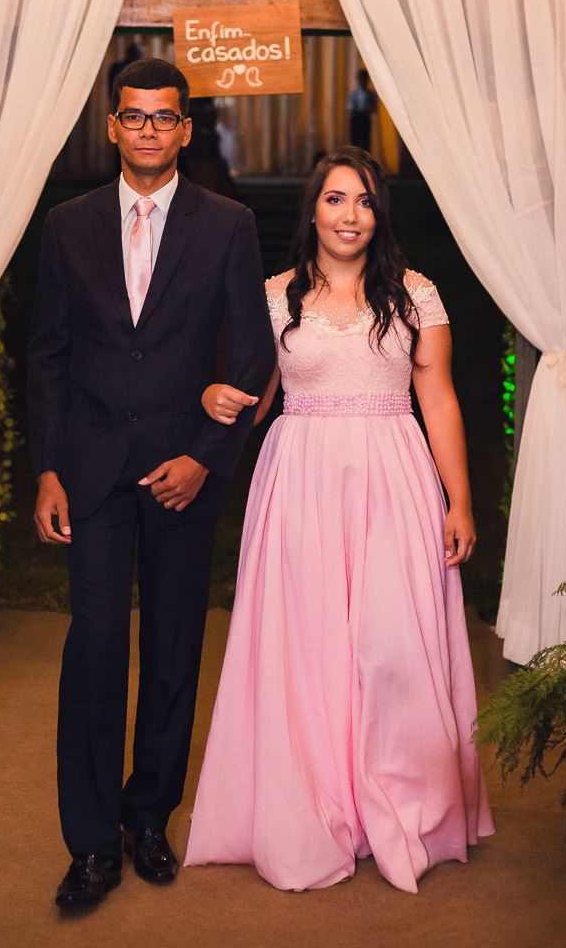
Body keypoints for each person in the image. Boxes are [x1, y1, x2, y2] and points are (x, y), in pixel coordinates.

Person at [184, 149, 494, 893]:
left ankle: (402, 805)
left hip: (393, 477)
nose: (349, 215)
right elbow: (253, 401)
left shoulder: (416, 295)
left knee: (391, 646)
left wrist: (460, 500)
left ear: (378, 213)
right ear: (312, 211)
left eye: (363, 201)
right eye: (334, 200)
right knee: (309, 645)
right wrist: (210, 401)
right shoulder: (272, 296)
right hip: (300, 481)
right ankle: (317, 806)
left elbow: (440, 401)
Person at [27, 58, 275, 910]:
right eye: (133, 118)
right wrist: (50, 470)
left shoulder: (228, 224)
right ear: (112, 126)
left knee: (172, 653)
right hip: (91, 469)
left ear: (185, 129)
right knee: (94, 651)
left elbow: (250, 354)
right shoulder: (67, 224)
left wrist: (208, 454)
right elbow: (49, 354)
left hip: (182, 472)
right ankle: (92, 844)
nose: (148, 131)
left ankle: (147, 818)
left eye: (164, 119)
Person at [346, 67, 377, 152]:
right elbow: (349, 106)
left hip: (365, 118)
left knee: (365, 142)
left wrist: (367, 105)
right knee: (354, 141)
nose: (362, 80)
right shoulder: (354, 93)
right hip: (355, 117)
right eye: (360, 78)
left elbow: (374, 108)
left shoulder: (370, 94)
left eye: (364, 78)